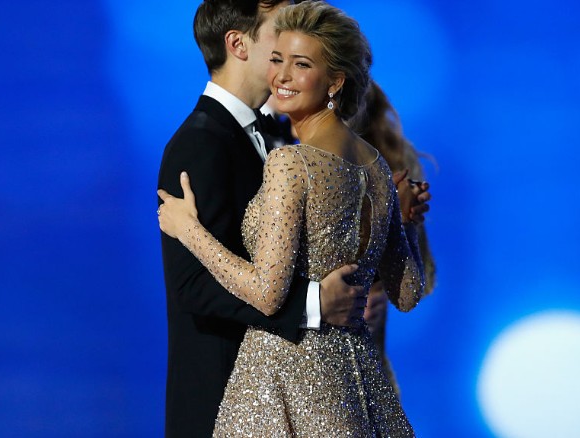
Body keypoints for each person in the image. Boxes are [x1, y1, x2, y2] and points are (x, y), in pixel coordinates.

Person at [157, 1, 425, 435]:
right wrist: (399, 224)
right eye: (277, 53)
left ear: (334, 82)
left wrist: (189, 231)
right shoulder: (371, 164)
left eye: (298, 63)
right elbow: (409, 291)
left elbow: (267, 290)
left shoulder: (292, 158)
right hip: (334, 387)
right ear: (238, 44)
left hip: (282, 387)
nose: (281, 72)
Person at [356, 80, 437, 394]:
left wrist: (400, 224)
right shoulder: (274, 151)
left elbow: (421, 278)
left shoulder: (392, 162)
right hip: (284, 376)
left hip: (365, 374)